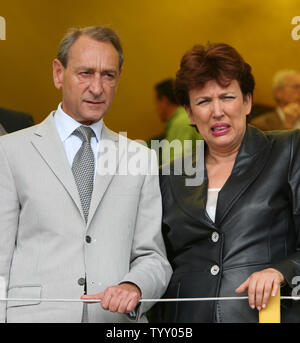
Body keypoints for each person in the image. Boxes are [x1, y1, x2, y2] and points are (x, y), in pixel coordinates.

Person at [0, 26, 172, 323]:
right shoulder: (9, 151)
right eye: (85, 73)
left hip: (114, 323)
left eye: (108, 75)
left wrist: (134, 285)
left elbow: (153, 257)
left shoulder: (140, 158)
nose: (97, 87)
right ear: (58, 73)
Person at [160, 43, 300, 323]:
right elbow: (157, 257)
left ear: (247, 101)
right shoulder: (168, 174)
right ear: (189, 112)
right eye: (203, 102)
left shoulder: (288, 150)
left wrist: (281, 271)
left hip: (263, 316)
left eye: (227, 97)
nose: (217, 111)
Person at [151, 79, 201, 163]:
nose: (156, 109)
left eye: (156, 103)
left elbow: (174, 165)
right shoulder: (185, 117)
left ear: (164, 100)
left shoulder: (180, 123)